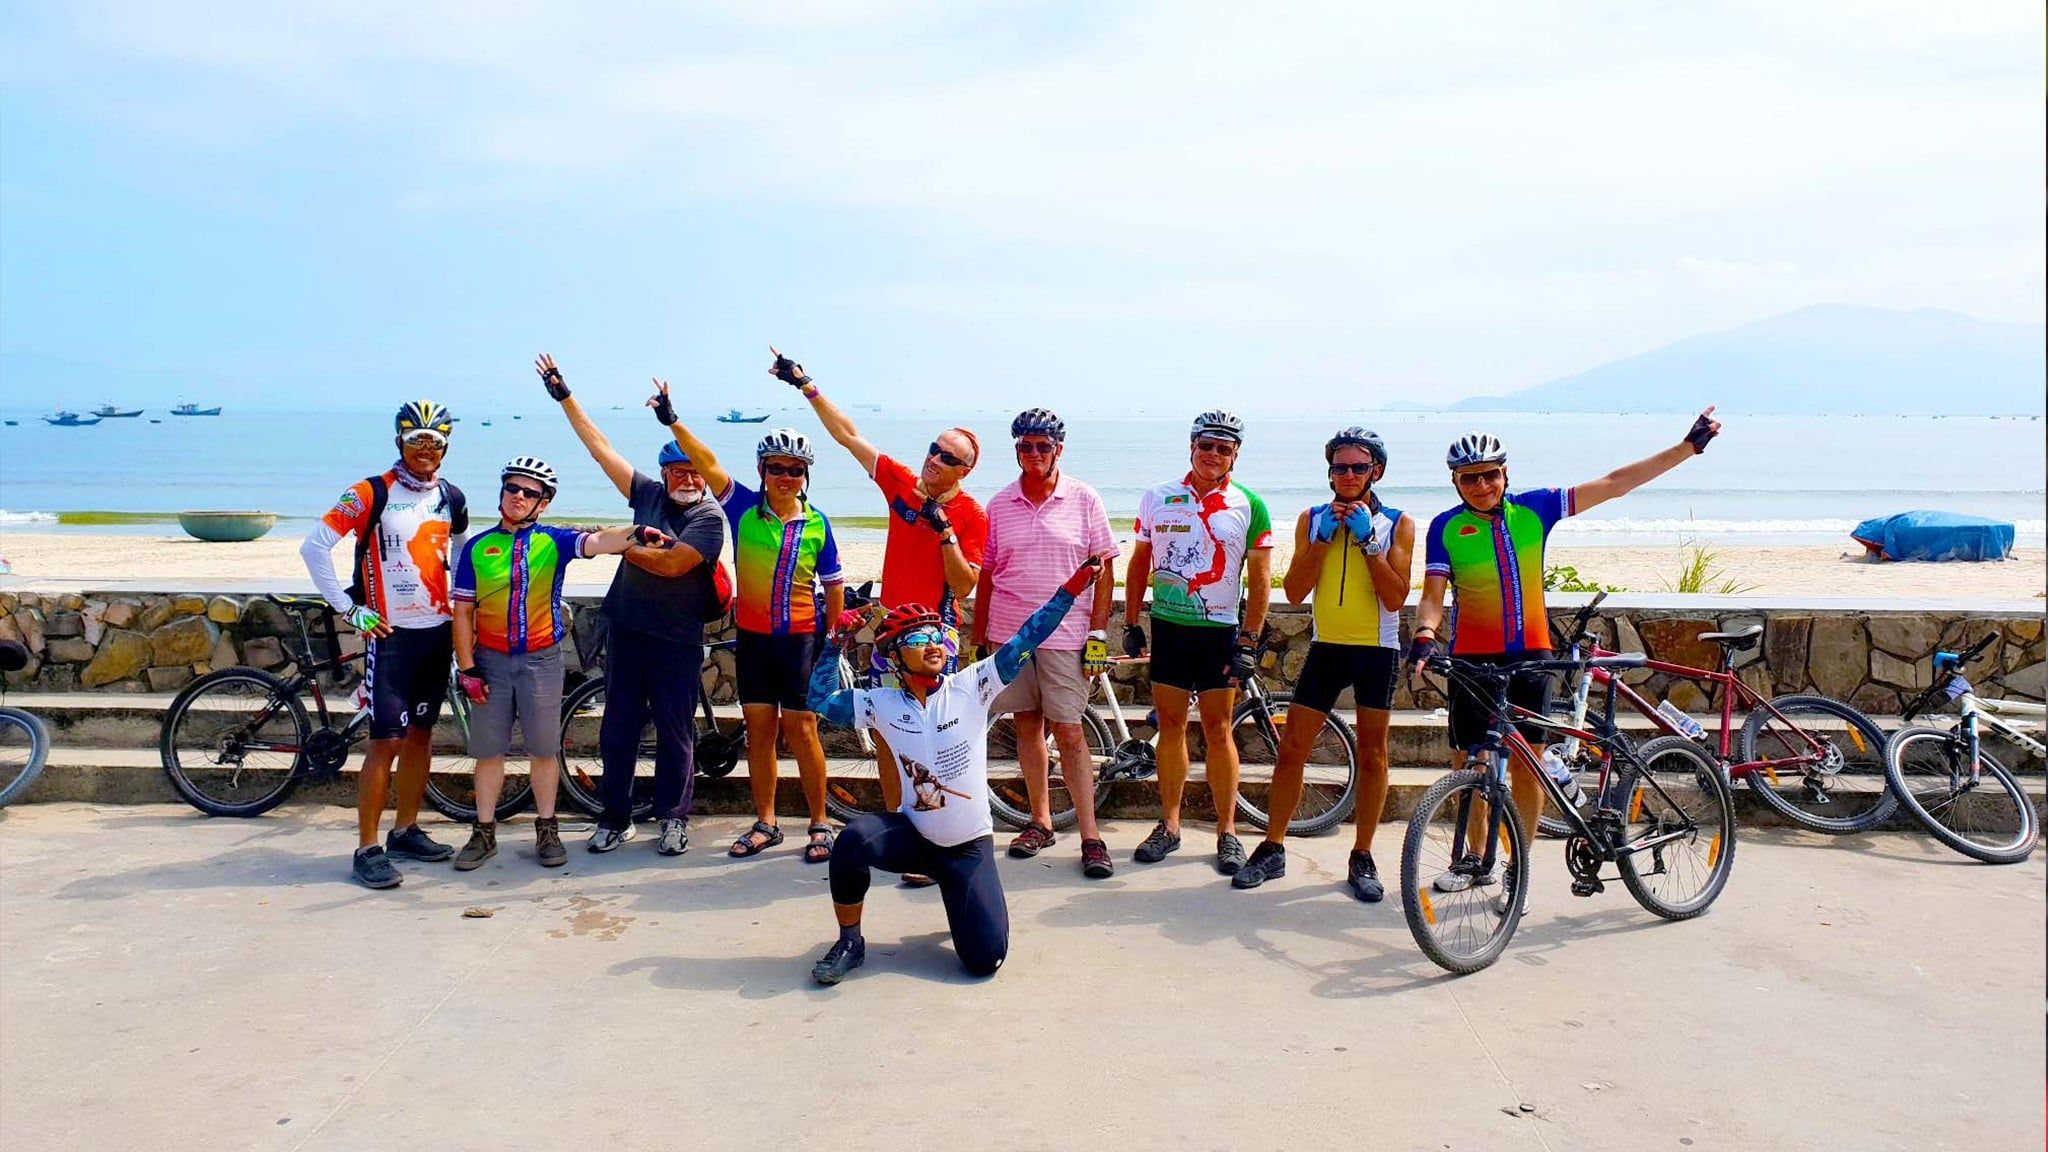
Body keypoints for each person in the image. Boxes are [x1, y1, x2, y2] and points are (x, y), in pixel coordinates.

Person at [1410, 409, 1723, 905]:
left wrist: (1687, 448)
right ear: (1455, 481)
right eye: (1470, 478)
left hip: (1532, 658)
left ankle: (1519, 866)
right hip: (1472, 661)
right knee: (1469, 762)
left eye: (1491, 474)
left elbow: (1615, 483)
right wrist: (1426, 631)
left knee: (1529, 765)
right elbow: (1432, 594)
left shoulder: (1535, 509)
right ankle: (1476, 860)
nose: (1482, 485)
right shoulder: (1445, 528)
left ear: (1506, 474)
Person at [805, 558, 1107, 985]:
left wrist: (1072, 588)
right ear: (894, 655)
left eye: (937, 636)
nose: (934, 644)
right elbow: (819, 700)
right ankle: (850, 941)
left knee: (985, 960)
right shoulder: (880, 703)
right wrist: (835, 640)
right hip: (916, 838)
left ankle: (960, 891)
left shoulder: (973, 685)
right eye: (919, 638)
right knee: (852, 842)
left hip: (968, 848)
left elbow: (1031, 633)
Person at [772, 347, 985, 885]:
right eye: (934, 449)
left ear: (965, 470)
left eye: (948, 457)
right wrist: (806, 384)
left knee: (935, 737)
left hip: (937, 633)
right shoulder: (899, 483)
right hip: (891, 631)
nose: (934, 459)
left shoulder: (970, 513)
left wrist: (944, 531)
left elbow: (965, 584)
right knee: (890, 736)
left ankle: (944, 837)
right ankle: (906, 836)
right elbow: (847, 436)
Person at [647, 380, 847, 864]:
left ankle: (819, 822)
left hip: (801, 639)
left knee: (802, 731)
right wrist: (673, 418)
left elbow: (835, 585)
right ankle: (767, 823)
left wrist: (834, 638)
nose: (785, 476)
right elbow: (708, 461)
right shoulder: (740, 509)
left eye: (794, 470)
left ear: (805, 475)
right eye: (776, 468)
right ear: (761, 470)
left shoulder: (818, 523)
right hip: (755, 640)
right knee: (759, 730)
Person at [539, 354, 729, 857]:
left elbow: (673, 566)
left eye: (693, 471)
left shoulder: (709, 519)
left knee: (674, 731)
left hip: (676, 640)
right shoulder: (645, 494)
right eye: (676, 471)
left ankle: (673, 818)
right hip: (626, 630)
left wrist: (619, 543)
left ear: (705, 476)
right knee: (616, 730)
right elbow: (601, 450)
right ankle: (615, 817)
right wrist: (565, 395)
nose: (685, 479)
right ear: (663, 474)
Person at [448, 456, 671, 871]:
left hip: (541, 661)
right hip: (490, 661)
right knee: (489, 752)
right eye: (512, 488)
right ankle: (483, 832)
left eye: (529, 493)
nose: (518, 497)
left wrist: (637, 532)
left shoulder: (552, 542)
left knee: (544, 750)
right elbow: (462, 612)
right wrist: (467, 668)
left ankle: (547, 829)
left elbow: (598, 541)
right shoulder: (478, 548)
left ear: (543, 503)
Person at [1231, 428, 1412, 900]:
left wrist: (1370, 542)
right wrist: (1324, 541)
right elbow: (1293, 591)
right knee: (1291, 749)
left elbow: (1395, 598)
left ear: (1377, 471)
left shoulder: (1399, 522)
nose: (1348, 475)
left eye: (1358, 467)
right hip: (1327, 646)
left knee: (1373, 756)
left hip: (1378, 650)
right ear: (1330, 471)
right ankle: (1272, 848)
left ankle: (1363, 855)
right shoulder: (1312, 518)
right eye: (1339, 467)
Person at [300, 400, 469, 889]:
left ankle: (406, 830)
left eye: (434, 443)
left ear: (445, 447)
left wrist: (459, 603)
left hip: (435, 634)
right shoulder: (370, 492)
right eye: (416, 441)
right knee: (385, 742)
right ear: (400, 441)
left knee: (420, 735)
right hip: (389, 638)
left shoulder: (452, 497)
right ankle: (367, 848)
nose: (425, 451)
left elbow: (461, 549)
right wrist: (349, 609)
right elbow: (313, 547)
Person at [970, 408, 1119, 878]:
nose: (1033, 454)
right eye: (1025, 446)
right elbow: (989, 573)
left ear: (1059, 448)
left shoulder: (1084, 498)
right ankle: (1040, 821)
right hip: (1010, 636)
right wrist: (980, 637)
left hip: (1068, 635)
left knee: (1071, 732)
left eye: (1043, 446)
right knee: (1027, 727)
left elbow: (1104, 569)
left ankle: (1092, 836)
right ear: (1016, 448)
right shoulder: (998, 505)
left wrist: (1098, 635)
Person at [1122, 410, 1272, 875]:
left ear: (1235, 455)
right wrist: (1130, 620)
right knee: (1170, 725)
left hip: (1220, 631)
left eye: (1224, 448)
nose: (1213, 454)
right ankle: (1170, 825)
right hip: (1169, 627)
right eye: (1206, 445)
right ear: (1192, 446)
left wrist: (1248, 639)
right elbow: (1139, 562)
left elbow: (1262, 578)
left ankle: (1227, 831)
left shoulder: (1249, 504)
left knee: (1219, 729)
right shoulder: (1159, 497)